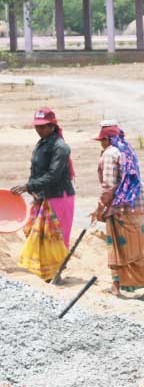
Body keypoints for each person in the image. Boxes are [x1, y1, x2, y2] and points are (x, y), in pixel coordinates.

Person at [93, 120, 144, 301]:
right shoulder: (127, 150)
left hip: (123, 208)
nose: (101, 143)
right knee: (118, 246)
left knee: (129, 250)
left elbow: (108, 185)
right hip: (136, 207)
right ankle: (115, 286)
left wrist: (99, 207)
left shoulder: (110, 154)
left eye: (102, 140)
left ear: (107, 140)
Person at [12, 107, 75, 282]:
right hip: (42, 195)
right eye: (37, 126)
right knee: (32, 230)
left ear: (52, 126)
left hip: (58, 197)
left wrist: (28, 186)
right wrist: (33, 190)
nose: (39, 130)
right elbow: (37, 171)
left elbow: (53, 175)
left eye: (43, 126)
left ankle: (57, 274)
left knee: (55, 236)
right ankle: (45, 271)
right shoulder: (43, 143)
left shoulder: (60, 147)